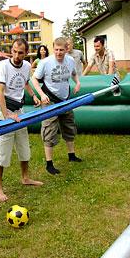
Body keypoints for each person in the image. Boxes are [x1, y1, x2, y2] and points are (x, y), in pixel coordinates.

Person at [0, 38, 43, 201]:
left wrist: (34, 95)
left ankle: (25, 177)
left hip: (19, 111)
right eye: (14, 51)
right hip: (4, 112)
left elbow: (26, 82)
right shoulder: (3, 66)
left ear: (26, 53)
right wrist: (7, 114)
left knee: (23, 147)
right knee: (2, 152)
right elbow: (0, 91)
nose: (16, 55)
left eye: (20, 52)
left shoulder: (27, 66)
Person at [31, 37, 82, 175]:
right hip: (49, 100)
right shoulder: (45, 62)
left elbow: (74, 74)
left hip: (65, 99)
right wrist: (41, 94)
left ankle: (71, 155)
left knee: (69, 126)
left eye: (61, 50)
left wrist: (77, 83)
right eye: (56, 50)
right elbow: (34, 79)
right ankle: (49, 164)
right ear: (53, 49)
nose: (59, 53)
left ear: (67, 49)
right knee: (49, 130)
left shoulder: (70, 61)